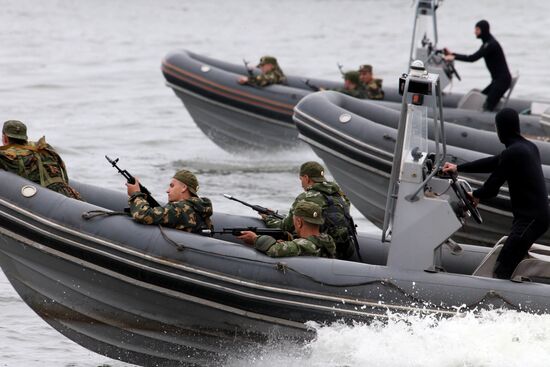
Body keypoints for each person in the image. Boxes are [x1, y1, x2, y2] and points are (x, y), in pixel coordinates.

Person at [442, 108, 549, 279]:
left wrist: (475, 194)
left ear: (501, 128)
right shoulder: (527, 147)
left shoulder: (514, 152)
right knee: (509, 259)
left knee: (502, 268)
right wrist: (458, 168)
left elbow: (491, 189)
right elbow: (493, 162)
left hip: (530, 220)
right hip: (534, 218)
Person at [263, 161, 356, 260]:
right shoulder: (341, 195)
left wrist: (269, 218)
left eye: (301, 179)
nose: (301, 184)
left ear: (306, 178)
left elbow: (286, 226)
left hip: (320, 249)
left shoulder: (305, 197)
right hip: (345, 248)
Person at [0, 120, 82, 199]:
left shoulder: (5, 156)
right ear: (25, 137)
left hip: (44, 200)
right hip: (69, 194)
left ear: (5, 138)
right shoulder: (43, 147)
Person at [444, 20, 512, 112]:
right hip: (497, 81)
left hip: (502, 81)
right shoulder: (487, 43)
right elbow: (472, 56)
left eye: (477, 29)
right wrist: (453, 54)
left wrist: (453, 57)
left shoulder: (490, 45)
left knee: (487, 106)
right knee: (482, 98)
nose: (475, 32)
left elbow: (472, 58)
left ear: (483, 30)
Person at [126, 169, 213, 233]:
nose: (168, 190)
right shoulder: (199, 209)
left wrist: (135, 194)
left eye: (172, 186)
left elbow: (144, 215)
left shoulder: (180, 208)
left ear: (184, 188)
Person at [238, 201, 336, 258]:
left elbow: (274, 250)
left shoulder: (306, 245)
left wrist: (255, 239)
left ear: (299, 222)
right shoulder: (327, 239)